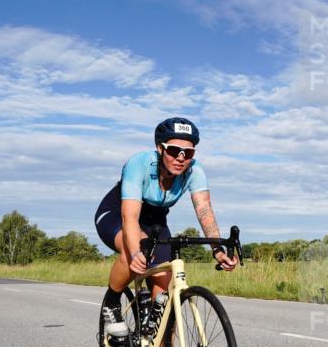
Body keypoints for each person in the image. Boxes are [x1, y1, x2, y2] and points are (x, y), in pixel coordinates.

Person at [94, 117, 237, 336]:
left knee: (164, 303)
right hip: (116, 214)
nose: (181, 158)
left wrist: (217, 249)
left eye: (188, 153)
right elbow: (130, 217)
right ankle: (112, 303)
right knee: (137, 247)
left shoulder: (194, 171)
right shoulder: (139, 164)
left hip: (156, 223)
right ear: (160, 149)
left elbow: (204, 211)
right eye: (174, 151)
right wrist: (134, 252)